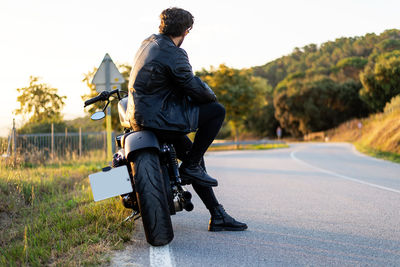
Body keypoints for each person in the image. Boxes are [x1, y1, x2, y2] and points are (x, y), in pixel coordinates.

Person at [127, 7, 247, 231]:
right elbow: (194, 88)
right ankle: (191, 167)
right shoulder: (174, 52)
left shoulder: (147, 43)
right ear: (186, 31)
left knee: (194, 158)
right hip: (160, 121)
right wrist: (210, 94)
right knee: (216, 111)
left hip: (139, 119)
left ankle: (217, 214)